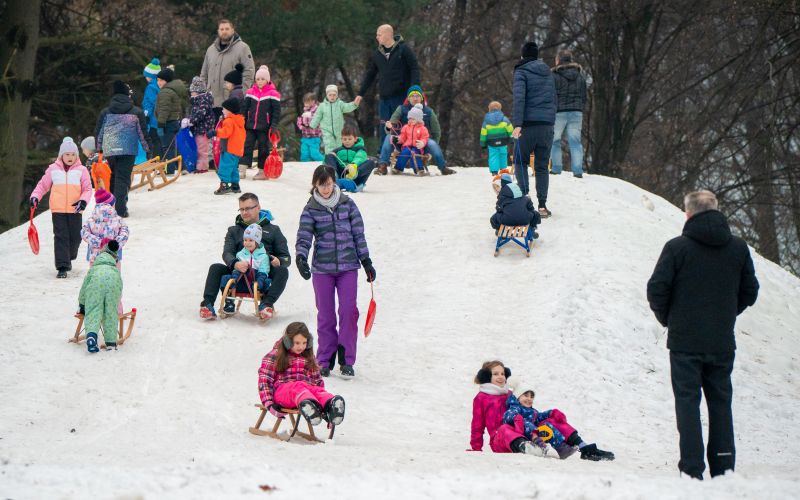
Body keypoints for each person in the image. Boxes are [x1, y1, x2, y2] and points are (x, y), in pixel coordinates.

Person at [647, 190, 759, 480]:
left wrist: (670, 319)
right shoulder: (738, 248)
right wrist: (726, 314)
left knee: (687, 403)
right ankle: (723, 468)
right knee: (721, 402)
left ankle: (692, 468)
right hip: (721, 340)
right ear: (716, 209)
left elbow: (656, 289)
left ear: (688, 214)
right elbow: (750, 291)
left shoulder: (677, 248)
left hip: (684, 341)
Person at [295, 165, 376, 378]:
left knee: (348, 312)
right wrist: (301, 257)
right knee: (326, 315)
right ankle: (324, 359)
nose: (326, 189)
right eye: (321, 185)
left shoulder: (348, 204)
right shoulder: (310, 209)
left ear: (334, 182)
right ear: (315, 185)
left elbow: (358, 234)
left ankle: (347, 359)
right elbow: (304, 235)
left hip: (348, 267)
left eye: (329, 184)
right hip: (322, 269)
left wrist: (366, 261)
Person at [200, 192, 290, 321]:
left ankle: (266, 305)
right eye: (241, 209)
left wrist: (279, 261)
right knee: (215, 268)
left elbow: (286, 258)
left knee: (283, 271)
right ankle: (207, 306)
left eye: (248, 208)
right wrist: (235, 263)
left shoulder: (273, 230)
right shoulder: (234, 230)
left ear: (258, 207)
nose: (244, 212)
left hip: (263, 273)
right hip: (239, 272)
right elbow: (227, 253)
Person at [257, 322, 346, 426]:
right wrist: (269, 404)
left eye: (304, 343)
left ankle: (330, 407)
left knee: (316, 390)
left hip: (304, 390)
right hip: (283, 392)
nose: (301, 346)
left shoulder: (308, 356)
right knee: (298, 387)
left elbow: (317, 381)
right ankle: (309, 404)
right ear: (288, 341)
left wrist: (325, 411)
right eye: (297, 343)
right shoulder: (274, 355)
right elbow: (264, 381)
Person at [30, 137, 92, 278]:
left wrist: (83, 201)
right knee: (60, 236)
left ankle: (69, 256)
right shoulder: (53, 169)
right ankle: (62, 266)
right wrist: (35, 196)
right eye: (67, 154)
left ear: (77, 155)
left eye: (73, 154)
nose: (70, 157)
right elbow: (42, 186)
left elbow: (87, 189)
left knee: (76, 237)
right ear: (61, 155)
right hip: (57, 210)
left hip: (75, 210)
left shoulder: (82, 170)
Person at [511, 41, 556, 218]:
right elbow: (554, 98)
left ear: (523, 55)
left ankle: (524, 201)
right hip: (546, 125)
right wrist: (550, 120)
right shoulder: (548, 72)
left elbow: (519, 99)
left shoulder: (521, 71)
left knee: (520, 161)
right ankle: (542, 206)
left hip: (528, 125)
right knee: (542, 166)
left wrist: (517, 124)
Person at [355, 24, 421, 146]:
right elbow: (370, 74)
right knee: (385, 125)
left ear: (388, 35)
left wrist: (415, 90)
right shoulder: (377, 54)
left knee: (401, 125)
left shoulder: (403, 49)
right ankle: (383, 153)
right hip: (384, 98)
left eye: (379, 35)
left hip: (401, 96)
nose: (377, 37)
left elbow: (414, 68)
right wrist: (361, 94)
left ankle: (402, 151)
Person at [503, 389, 614, 460]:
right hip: (522, 434)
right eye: (525, 395)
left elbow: (539, 416)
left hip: (535, 433)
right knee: (527, 423)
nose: (529, 399)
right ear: (518, 397)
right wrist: (516, 418)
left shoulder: (533, 411)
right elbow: (508, 415)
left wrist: (551, 413)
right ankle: (536, 446)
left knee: (548, 425)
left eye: (531, 397)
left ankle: (570, 447)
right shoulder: (515, 407)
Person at [95, 80, 149, 218]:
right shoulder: (137, 112)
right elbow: (142, 133)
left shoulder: (105, 112)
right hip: (128, 150)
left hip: (110, 150)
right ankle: (120, 209)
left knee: (112, 177)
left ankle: (110, 207)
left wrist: (99, 150)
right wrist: (148, 149)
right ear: (127, 95)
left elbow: (99, 132)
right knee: (123, 179)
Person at [378, 85, 455, 176]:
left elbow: (436, 131)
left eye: (417, 96)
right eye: (412, 96)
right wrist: (388, 127)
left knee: (433, 143)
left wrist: (429, 150)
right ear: (408, 98)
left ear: (421, 98)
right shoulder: (401, 109)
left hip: (421, 143)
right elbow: (390, 127)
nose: (415, 98)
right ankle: (382, 166)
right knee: (388, 137)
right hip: (403, 141)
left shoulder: (429, 111)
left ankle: (443, 168)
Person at [469, 360, 530, 453]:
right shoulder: (481, 398)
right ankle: (524, 446)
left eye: (503, 373)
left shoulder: (511, 394)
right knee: (504, 429)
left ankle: (549, 446)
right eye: (496, 374)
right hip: (499, 440)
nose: (501, 376)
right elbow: (477, 425)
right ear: (487, 376)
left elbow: (526, 412)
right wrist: (476, 447)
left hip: (520, 432)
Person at [78, 240, 123, 353]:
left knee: (94, 310)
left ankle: (92, 336)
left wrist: (82, 304)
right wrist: (117, 300)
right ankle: (111, 343)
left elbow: (84, 287)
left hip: (96, 286)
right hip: (113, 284)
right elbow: (120, 286)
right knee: (110, 312)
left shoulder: (94, 269)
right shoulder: (115, 270)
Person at [200, 19, 255, 108]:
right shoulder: (210, 50)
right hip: (211, 103)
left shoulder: (243, 48)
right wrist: (204, 93)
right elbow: (203, 74)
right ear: (218, 31)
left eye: (227, 29)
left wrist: (242, 93)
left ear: (232, 30)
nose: (224, 31)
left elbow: (249, 72)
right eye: (222, 29)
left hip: (232, 102)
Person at [219, 223, 271, 316]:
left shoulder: (263, 257)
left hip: (255, 285)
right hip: (239, 282)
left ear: (257, 242)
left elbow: (263, 271)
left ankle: (264, 306)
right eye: (245, 240)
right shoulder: (240, 254)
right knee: (225, 278)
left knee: (268, 282)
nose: (247, 243)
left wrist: (259, 282)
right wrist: (234, 279)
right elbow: (236, 270)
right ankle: (229, 303)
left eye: (251, 240)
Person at [240, 64, 281, 180]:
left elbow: (276, 112)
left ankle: (262, 171)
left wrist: (273, 125)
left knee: (263, 148)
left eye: (262, 79)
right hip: (250, 126)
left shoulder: (273, 94)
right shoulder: (250, 92)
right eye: (258, 79)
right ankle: (242, 169)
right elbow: (244, 108)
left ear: (267, 80)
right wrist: (242, 121)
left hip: (265, 127)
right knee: (246, 146)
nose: (260, 81)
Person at [551, 50, 587, 177]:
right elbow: (584, 96)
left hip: (559, 113)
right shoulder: (580, 76)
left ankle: (556, 168)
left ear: (559, 60)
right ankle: (577, 171)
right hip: (576, 112)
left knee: (554, 140)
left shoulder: (554, 76)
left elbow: (551, 95)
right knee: (575, 141)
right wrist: (579, 107)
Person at [207, 97, 245, 195]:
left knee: (224, 167)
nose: (222, 111)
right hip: (237, 149)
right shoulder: (239, 121)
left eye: (224, 109)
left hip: (229, 148)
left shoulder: (229, 121)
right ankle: (235, 185)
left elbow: (225, 133)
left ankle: (224, 185)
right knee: (233, 168)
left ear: (229, 110)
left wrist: (215, 132)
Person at [81, 189, 129, 265]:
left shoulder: (90, 220)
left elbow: (84, 233)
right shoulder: (118, 219)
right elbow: (125, 232)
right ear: (110, 205)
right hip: (114, 255)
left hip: (95, 256)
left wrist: (99, 242)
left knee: (95, 271)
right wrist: (115, 243)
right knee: (114, 270)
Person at [323, 124, 377, 192]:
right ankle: (333, 175)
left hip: (355, 176)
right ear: (341, 139)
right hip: (340, 175)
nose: (347, 141)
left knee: (371, 162)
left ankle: (354, 174)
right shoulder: (338, 150)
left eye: (349, 139)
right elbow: (326, 161)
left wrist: (353, 165)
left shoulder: (360, 149)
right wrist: (331, 155)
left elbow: (360, 157)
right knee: (329, 156)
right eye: (345, 139)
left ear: (355, 139)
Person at [310, 85, 358, 154]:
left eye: (334, 95)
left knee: (339, 143)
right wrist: (312, 125)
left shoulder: (340, 104)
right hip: (326, 129)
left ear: (337, 95)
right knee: (329, 143)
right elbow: (317, 116)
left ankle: (340, 156)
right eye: (330, 95)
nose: (332, 97)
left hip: (339, 129)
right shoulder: (322, 106)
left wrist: (354, 104)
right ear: (327, 95)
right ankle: (330, 157)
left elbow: (347, 107)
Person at [490, 173, 540, 240]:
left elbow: (499, 209)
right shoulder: (521, 194)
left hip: (507, 221)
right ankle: (532, 229)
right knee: (535, 214)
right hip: (524, 220)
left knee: (494, 218)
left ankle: (500, 230)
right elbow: (530, 207)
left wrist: (502, 210)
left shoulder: (502, 196)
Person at [154, 68, 188, 167]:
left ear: (167, 80)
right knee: (175, 146)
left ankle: (170, 169)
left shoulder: (165, 92)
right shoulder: (172, 90)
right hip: (174, 122)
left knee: (167, 147)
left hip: (167, 123)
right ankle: (182, 167)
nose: (159, 82)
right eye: (158, 80)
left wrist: (160, 123)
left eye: (161, 80)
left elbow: (164, 109)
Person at [188, 76, 215, 173]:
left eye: (193, 91)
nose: (191, 93)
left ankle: (202, 167)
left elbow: (200, 114)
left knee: (202, 149)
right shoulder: (198, 100)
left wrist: (191, 121)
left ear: (198, 92)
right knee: (199, 148)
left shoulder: (203, 100)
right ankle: (199, 165)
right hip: (199, 128)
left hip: (203, 129)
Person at [392, 104, 429, 175]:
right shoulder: (406, 127)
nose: (411, 120)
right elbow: (403, 136)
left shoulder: (423, 129)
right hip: (407, 146)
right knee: (404, 153)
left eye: (413, 119)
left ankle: (419, 169)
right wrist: (399, 139)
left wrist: (422, 143)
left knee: (414, 153)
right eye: (409, 118)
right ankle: (398, 168)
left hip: (417, 147)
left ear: (418, 119)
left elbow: (425, 137)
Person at [480, 101, 513, 174]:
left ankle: (494, 171)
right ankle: (503, 170)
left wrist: (483, 144)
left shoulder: (486, 122)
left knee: (493, 156)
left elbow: (483, 133)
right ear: (500, 109)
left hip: (491, 142)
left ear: (489, 109)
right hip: (503, 141)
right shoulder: (505, 119)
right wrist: (512, 139)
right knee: (503, 154)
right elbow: (510, 130)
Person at [142, 57, 162, 159]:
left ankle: (155, 161)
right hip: (160, 118)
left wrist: (146, 115)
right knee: (159, 141)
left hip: (153, 119)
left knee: (153, 140)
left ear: (150, 76)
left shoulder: (150, 87)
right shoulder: (159, 85)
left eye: (146, 75)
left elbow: (150, 103)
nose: (145, 77)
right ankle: (161, 160)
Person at [296, 93, 324, 161]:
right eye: (305, 102)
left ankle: (326, 162)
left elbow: (316, 121)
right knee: (304, 155)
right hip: (305, 136)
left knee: (314, 154)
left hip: (314, 136)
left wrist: (307, 119)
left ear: (313, 101)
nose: (305, 103)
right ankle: (306, 165)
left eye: (307, 102)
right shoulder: (305, 111)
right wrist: (301, 125)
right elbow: (300, 121)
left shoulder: (317, 110)